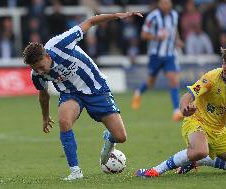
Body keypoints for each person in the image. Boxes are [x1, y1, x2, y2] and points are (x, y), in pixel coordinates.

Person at [22, 12, 143, 180]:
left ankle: (109, 140)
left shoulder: (61, 43)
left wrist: (117, 15)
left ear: (47, 56)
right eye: (36, 69)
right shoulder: (36, 74)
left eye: (41, 66)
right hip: (70, 93)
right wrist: (44, 117)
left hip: (96, 87)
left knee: (120, 137)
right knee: (64, 121)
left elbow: (91, 21)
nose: (40, 71)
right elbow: (43, 94)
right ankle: (75, 171)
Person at [136, 43, 226, 177]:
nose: (224, 68)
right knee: (200, 150)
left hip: (218, 131)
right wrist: (184, 109)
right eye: (224, 63)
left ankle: (201, 161)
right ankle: (154, 171)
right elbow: (188, 96)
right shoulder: (212, 77)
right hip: (196, 121)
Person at [131, 0, 183, 121]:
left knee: (174, 81)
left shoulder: (174, 15)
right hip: (155, 55)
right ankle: (138, 92)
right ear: (159, 4)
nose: (166, 5)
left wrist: (178, 40)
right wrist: (156, 37)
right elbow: (143, 35)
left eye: (168, 2)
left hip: (170, 54)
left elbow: (174, 30)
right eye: (164, 3)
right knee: (150, 83)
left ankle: (176, 111)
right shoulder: (153, 16)